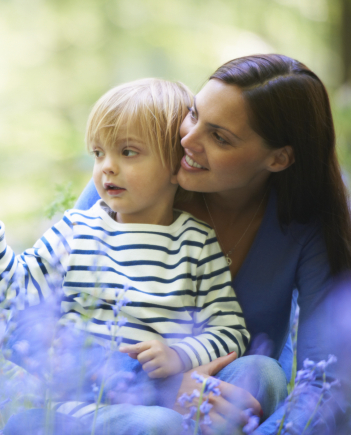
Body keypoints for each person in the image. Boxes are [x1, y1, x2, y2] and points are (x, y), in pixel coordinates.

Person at [0, 78, 251, 433]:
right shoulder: (77, 230)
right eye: (98, 153)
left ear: (176, 164)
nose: (107, 166)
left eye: (128, 152)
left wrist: (180, 355)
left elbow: (231, 330)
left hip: (159, 403)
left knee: (190, 408)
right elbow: (13, 290)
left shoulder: (195, 242)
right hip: (81, 405)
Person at [73, 53, 351, 434]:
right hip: (115, 396)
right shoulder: (132, 182)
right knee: (158, 424)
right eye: (192, 113)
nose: (187, 140)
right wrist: (160, 387)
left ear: (279, 158)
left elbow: (329, 381)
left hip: (233, 403)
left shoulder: (306, 224)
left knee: (261, 370)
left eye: (219, 137)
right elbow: (38, 324)